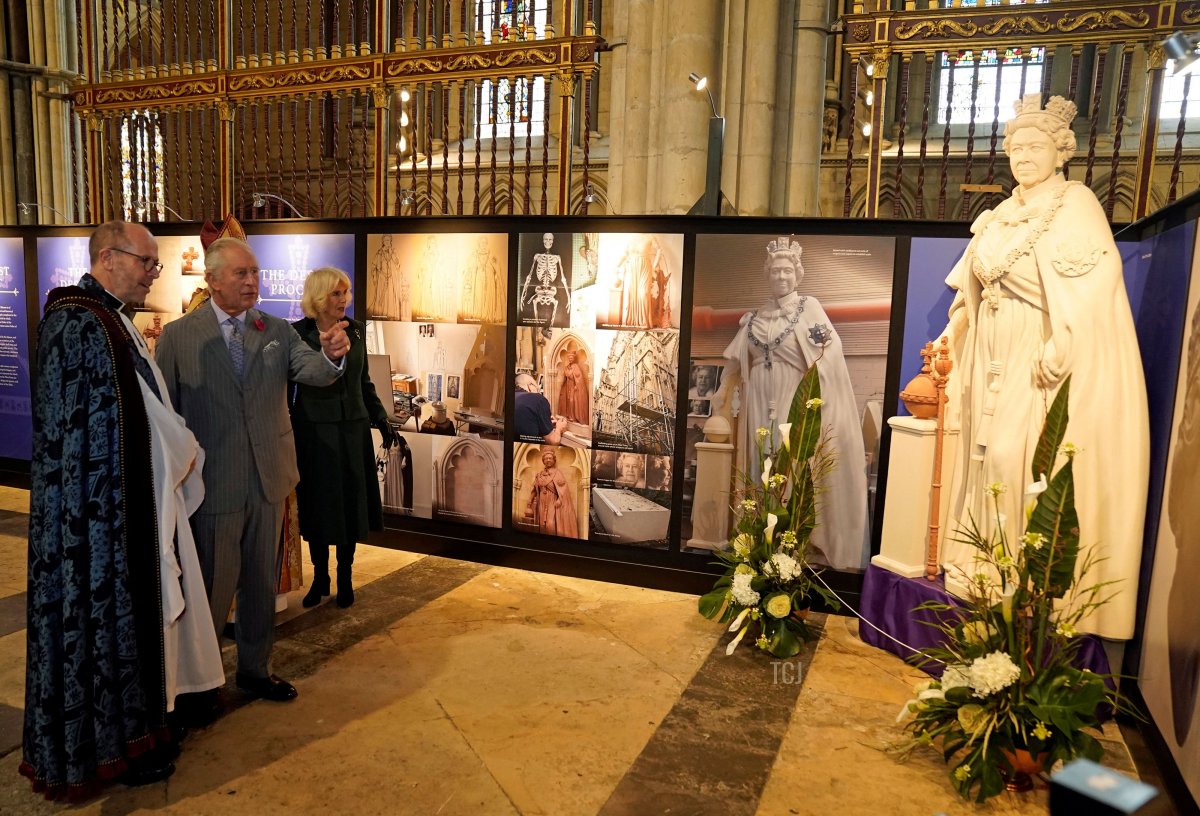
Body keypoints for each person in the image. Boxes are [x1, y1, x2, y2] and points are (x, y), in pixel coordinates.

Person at [23, 221, 223, 799]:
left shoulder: (110, 321)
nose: (153, 274)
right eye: (146, 262)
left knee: (135, 624)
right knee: (102, 627)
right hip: (93, 522)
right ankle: (111, 748)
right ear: (109, 258)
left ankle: (140, 730)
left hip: (123, 505)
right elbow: (74, 436)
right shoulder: (77, 324)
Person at [937, 94, 1148, 640]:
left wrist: (1065, 343)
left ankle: (1021, 571)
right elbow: (970, 289)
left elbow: (1092, 289)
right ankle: (983, 561)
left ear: (1060, 153)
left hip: (1037, 350)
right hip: (990, 347)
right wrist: (952, 331)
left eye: (1035, 146)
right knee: (982, 458)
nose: (1023, 156)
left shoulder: (1075, 205)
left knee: (1017, 456)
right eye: (1015, 148)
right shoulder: (1002, 213)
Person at [156, 237, 351, 704]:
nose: (251, 282)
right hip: (213, 484)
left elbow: (315, 371)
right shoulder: (180, 337)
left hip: (269, 481)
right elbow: (166, 414)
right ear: (213, 280)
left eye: (255, 273)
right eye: (241, 274)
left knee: (262, 584)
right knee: (211, 588)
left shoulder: (277, 330)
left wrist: (332, 354)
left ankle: (256, 669)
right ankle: (198, 683)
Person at [720, 236, 867, 571]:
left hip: (793, 396)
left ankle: (793, 537)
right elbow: (733, 360)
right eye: (775, 271)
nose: (781, 277)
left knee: (791, 463)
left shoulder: (809, 310)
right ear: (767, 275)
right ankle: (761, 535)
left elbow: (829, 358)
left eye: (787, 271)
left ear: (797, 274)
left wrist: (816, 399)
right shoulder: (755, 318)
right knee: (762, 463)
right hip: (759, 396)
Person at [291, 267, 396, 610]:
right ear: (319, 298)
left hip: (352, 430)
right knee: (319, 507)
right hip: (313, 432)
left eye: (346, 292)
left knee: (349, 507)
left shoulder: (358, 333)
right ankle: (320, 577)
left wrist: (380, 418)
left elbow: (364, 383)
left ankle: (345, 577)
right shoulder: (297, 336)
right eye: (336, 294)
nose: (344, 300)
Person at [527, 448, 580, 538]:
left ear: (554, 460)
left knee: (550, 525)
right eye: (546, 458)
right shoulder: (539, 475)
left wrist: (560, 499)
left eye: (550, 458)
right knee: (542, 526)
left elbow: (563, 490)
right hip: (542, 502)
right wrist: (529, 501)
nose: (548, 460)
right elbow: (534, 490)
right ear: (543, 460)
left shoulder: (557, 473)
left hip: (553, 501)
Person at [515, 372, 568, 443]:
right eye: (537, 387)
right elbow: (553, 441)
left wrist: (545, 422)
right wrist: (559, 428)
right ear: (530, 385)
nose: (538, 391)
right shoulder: (537, 399)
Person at [557, 350, 590, 424]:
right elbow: (565, 377)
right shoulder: (567, 367)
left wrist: (576, 386)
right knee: (568, 401)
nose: (570, 359)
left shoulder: (576, 367)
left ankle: (574, 417)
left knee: (572, 401)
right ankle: (569, 416)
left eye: (572, 358)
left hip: (574, 387)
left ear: (574, 358)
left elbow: (579, 378)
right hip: (568, 386)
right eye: (569, 358)